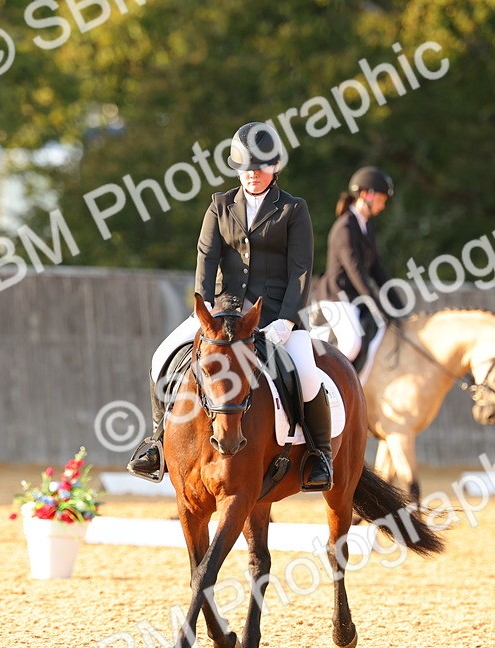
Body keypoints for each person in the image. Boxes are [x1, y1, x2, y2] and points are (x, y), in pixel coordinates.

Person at [127, 121, 333, 491]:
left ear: (276, 168)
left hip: (273, 315)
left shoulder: (293, 210)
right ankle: (156, 442)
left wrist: (286, 319)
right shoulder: (220, 205)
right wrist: (203, 306)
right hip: (220, 313)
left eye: (260, 167)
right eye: (246, 167)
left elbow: (301, 271)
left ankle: (319, 455)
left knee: (306, 374)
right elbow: (206, 257)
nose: (252, 174)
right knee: (161, 358)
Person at [311, 166, 395, 373]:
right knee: (351, 343)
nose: (383, 206)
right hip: (334, 299)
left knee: (381, 332)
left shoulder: (366, 227)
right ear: (367, 194)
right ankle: (330, 385)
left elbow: (377, 269)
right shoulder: (345, 227)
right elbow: (356, 271)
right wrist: (375, 303)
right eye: (381, 200)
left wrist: (396, 305)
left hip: (352, 299)